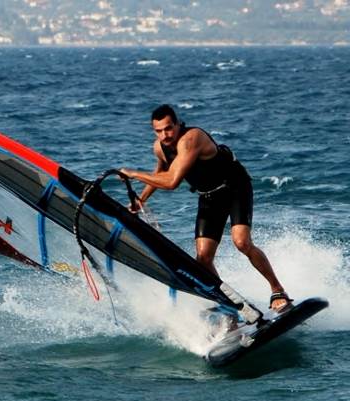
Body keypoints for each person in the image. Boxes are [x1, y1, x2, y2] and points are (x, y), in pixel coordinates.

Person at [120, 104, 291, 313]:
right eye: (159, 131)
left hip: (234, 187)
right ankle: (231, 307)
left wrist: (134, 174)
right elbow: (161, 173)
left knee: (242, 242)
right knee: (203, 258)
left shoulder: (192, 138)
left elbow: (172, 181)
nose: (165, 135)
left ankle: (277, 290)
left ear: (177, 124)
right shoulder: (159, 147)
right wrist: (141, 200)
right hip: (209, 196)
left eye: (168, 128)